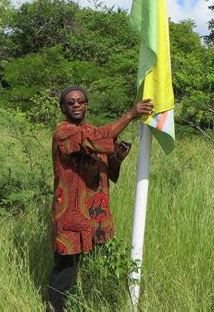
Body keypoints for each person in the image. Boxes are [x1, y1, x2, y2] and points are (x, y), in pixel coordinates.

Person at [48, 85, 153, 311]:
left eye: (81, 101)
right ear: (63, 108)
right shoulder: (64, 132)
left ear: (86, 105)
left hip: (97, 215)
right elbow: (97, 138)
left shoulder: (92, 131)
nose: (76, 104)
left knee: (104, 266)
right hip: (70, 216)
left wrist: (117, 157)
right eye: (71, 102)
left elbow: (108, 172)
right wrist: (131, 114)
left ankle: (104, 303)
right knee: (65, 273)